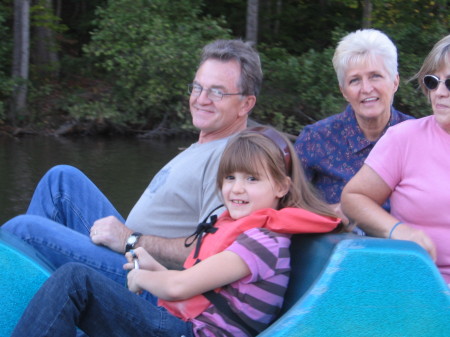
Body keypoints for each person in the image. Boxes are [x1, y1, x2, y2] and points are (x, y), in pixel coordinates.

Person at [11, 127, 341, 337]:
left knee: (75, 280)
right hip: (183, 324)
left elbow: (181, 284)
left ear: (282, 186)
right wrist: (152, 267)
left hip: (186, 333)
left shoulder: (261, 244)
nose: (237, 189)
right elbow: (194, 284)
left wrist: (143, 279)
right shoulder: (255, 235)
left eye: (252, 180)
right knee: (76, 280)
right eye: (230, 178)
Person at [2, 38, 262, 290]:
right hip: (129, 250)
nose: (201, 99)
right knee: (60, 180)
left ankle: (19, 299)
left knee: (23, 231)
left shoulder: (233, 159)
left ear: (246, 104)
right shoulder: (207, 144)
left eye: (217, 92)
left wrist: (130, 239)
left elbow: (211, 252)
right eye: (197, 87)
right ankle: (32, 294)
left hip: (151, 283)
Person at [341, 34, 450, 284]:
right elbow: (354, 198)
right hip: (419, 286)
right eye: (433, 82)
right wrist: (399, 231)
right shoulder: (405, 139)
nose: (440, 93)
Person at [294, 29, 413, 225]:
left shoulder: (417, 136)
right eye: (355, 80)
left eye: (375, 76)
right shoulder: (316, 139)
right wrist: (326, 213)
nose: (366, 88)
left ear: (395, 82)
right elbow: (287, 205)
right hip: (339, 250)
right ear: (344, 91)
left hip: (408, 250)